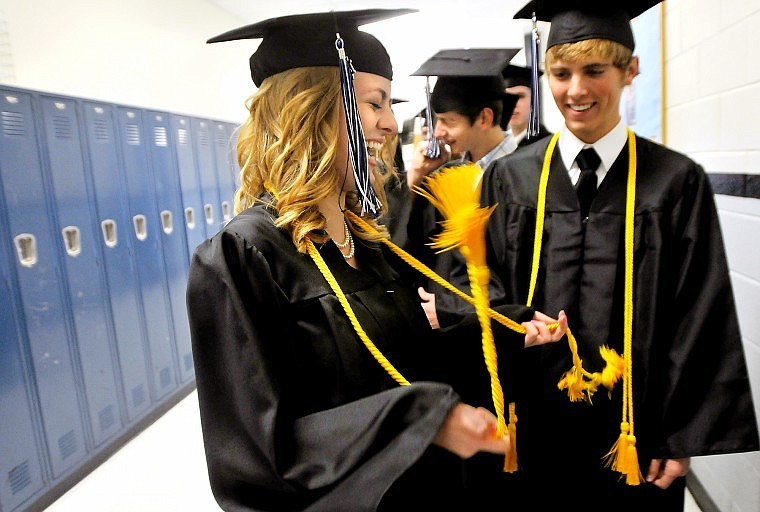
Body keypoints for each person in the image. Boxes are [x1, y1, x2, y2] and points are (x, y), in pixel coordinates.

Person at [186, 9, 568, 511]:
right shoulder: (243, 256)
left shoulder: (367, 241)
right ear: (311, 111)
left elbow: (406, 356)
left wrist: (505, 330)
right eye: (374, 103)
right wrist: (420, 417)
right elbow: (258, 452)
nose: (391, 124)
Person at [479, 1, 760, 510]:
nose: (577, 90)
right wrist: (517, 320)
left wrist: (681, 435)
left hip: (636, 434)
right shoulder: (510, 178)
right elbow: (478, 282)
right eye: (561, 73)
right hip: (531, 426)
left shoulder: (676, 181)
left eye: (595, 71)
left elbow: (699, 312)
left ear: (630, 70)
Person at [501, 62, 552, 148]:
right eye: (506, 96)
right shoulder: (499, 143)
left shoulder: (548, 146)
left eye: (520, 96)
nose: (512, 103)